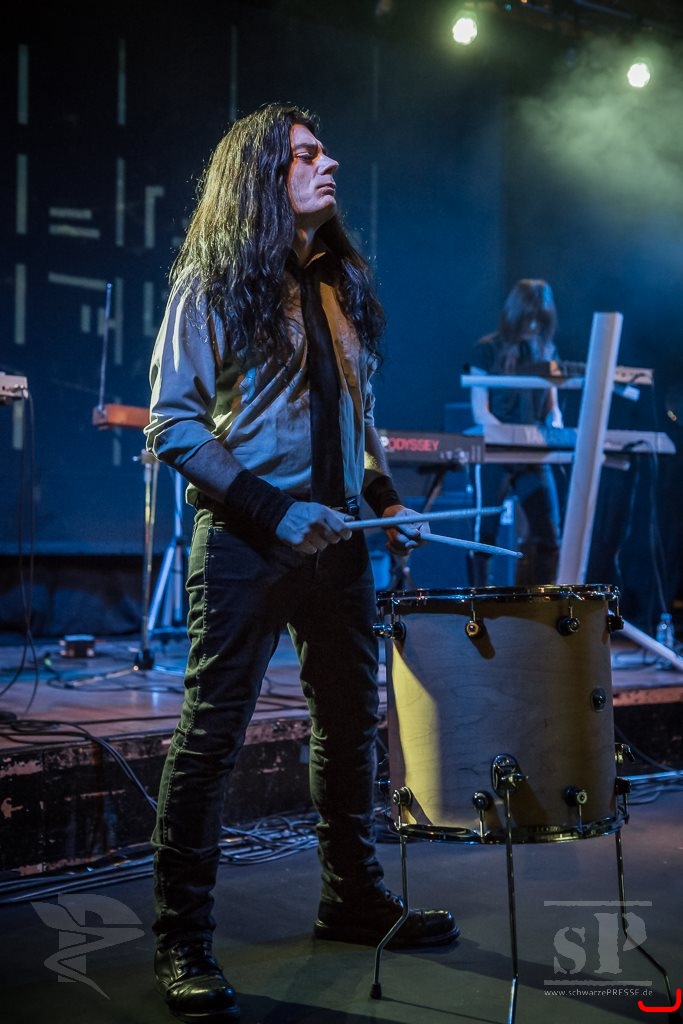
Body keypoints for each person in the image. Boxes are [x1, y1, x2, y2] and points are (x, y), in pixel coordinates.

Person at [144, 102, 459, 1023]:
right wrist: (274, 510)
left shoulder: (340, 281)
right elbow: (172, 424)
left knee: (352, 727)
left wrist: (385, 501)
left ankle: (352, 901)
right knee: (211, 736)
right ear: (261, 176)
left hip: (339, 545)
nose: (329, 164)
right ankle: (181, 939)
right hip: (246, 541)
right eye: (307, 155)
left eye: (326, 152)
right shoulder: (212, 280)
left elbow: (357, 421)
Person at [468, 278, 563, 587]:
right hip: (495, 453)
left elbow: (553, 407)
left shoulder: (547, 351)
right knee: (484, 536)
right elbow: (480, 410)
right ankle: (480, 604)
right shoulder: (487, 349)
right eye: (529, 317)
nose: (533, 324)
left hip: (534, 455)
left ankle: (544, 603)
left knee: (549, 535)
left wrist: (557, 433)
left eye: (540, 319)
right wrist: (508, 438)